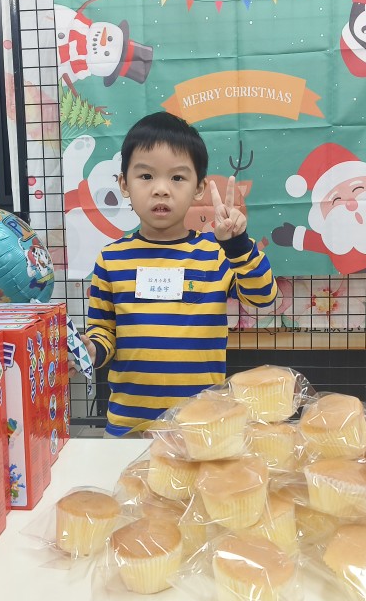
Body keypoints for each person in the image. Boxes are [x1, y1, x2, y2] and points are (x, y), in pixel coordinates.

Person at [80, 112, 277, 437]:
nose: (161, 190)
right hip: (129, 428)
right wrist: (92, 351)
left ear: (199, 187)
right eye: (146, 176)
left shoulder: (218, 254)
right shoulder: (111, 258)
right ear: (124, 184)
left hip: (201, 429)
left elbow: (263, 297)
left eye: (177, 178)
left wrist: (238, 245)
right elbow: (104, 331)